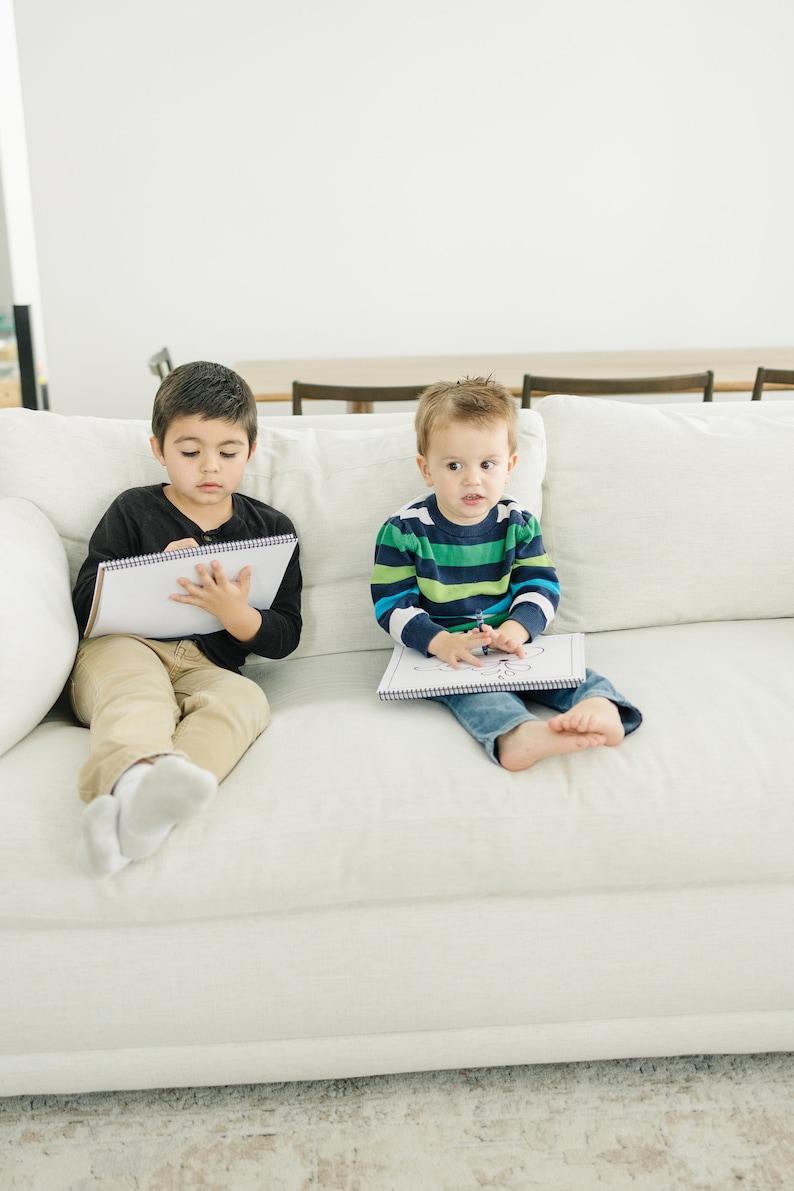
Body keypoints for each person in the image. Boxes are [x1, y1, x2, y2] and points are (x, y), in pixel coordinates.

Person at [70, 361, 302, 876]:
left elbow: (285, 634)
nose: (210, 468)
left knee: (246, 701)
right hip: (125, 647)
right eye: (190, 453)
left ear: (251, 451)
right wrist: (151, 572)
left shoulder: (271, 528)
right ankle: (134, 779)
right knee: (137, 693)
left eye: (228, 453)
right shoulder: (133, 510)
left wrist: (238, 615)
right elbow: (84, 600)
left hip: (210, 664)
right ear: (159, 449)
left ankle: (151, 809)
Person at [371, 377, 641, 769]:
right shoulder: (404, 530)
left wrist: (517, 629)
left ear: (509, 467)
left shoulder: (517, 523)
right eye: (453, 465)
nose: (472, 479)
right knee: (479, 696)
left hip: (513, 642)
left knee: (580, 676)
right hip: (449, 654)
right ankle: (519, 735)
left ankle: (601, 709)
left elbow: (540, 586)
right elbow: (392, 604)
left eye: (487, 464)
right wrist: (441, 642)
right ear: (426, 469)